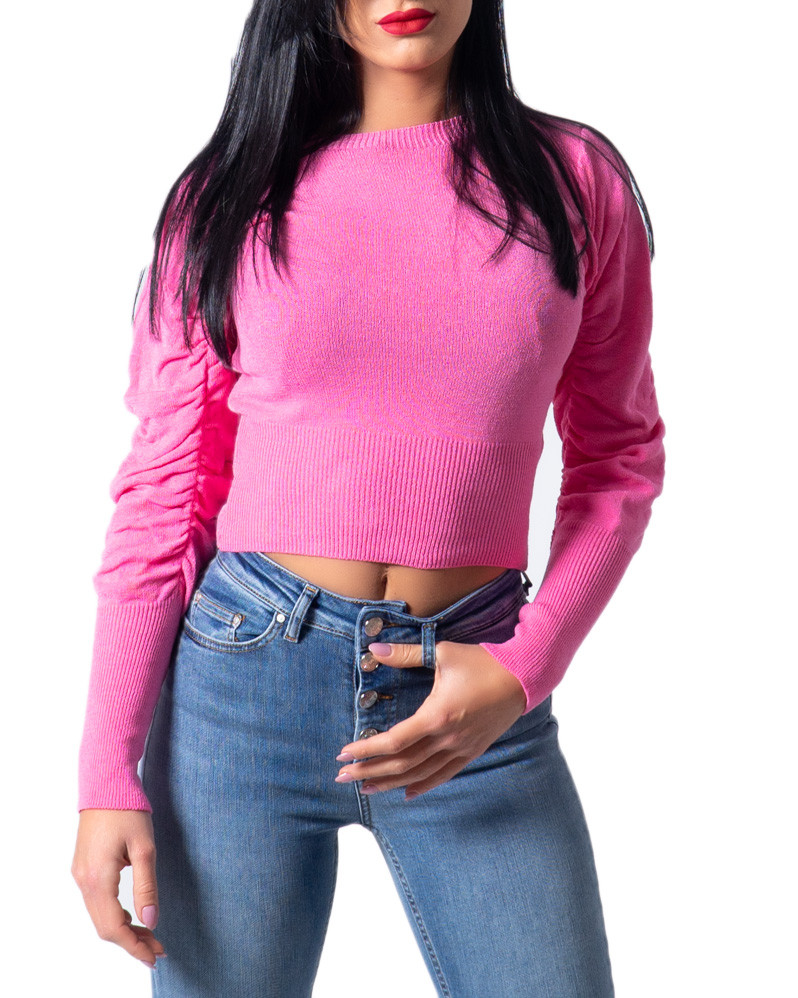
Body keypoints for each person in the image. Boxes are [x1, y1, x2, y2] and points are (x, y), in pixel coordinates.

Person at [71, 1, 666, 994]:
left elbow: (619, 457)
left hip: (475, 687)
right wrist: (105, 772)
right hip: (245, 684)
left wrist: (524, 669)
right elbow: (166, 491)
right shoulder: (233, 193)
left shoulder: (572, 180)